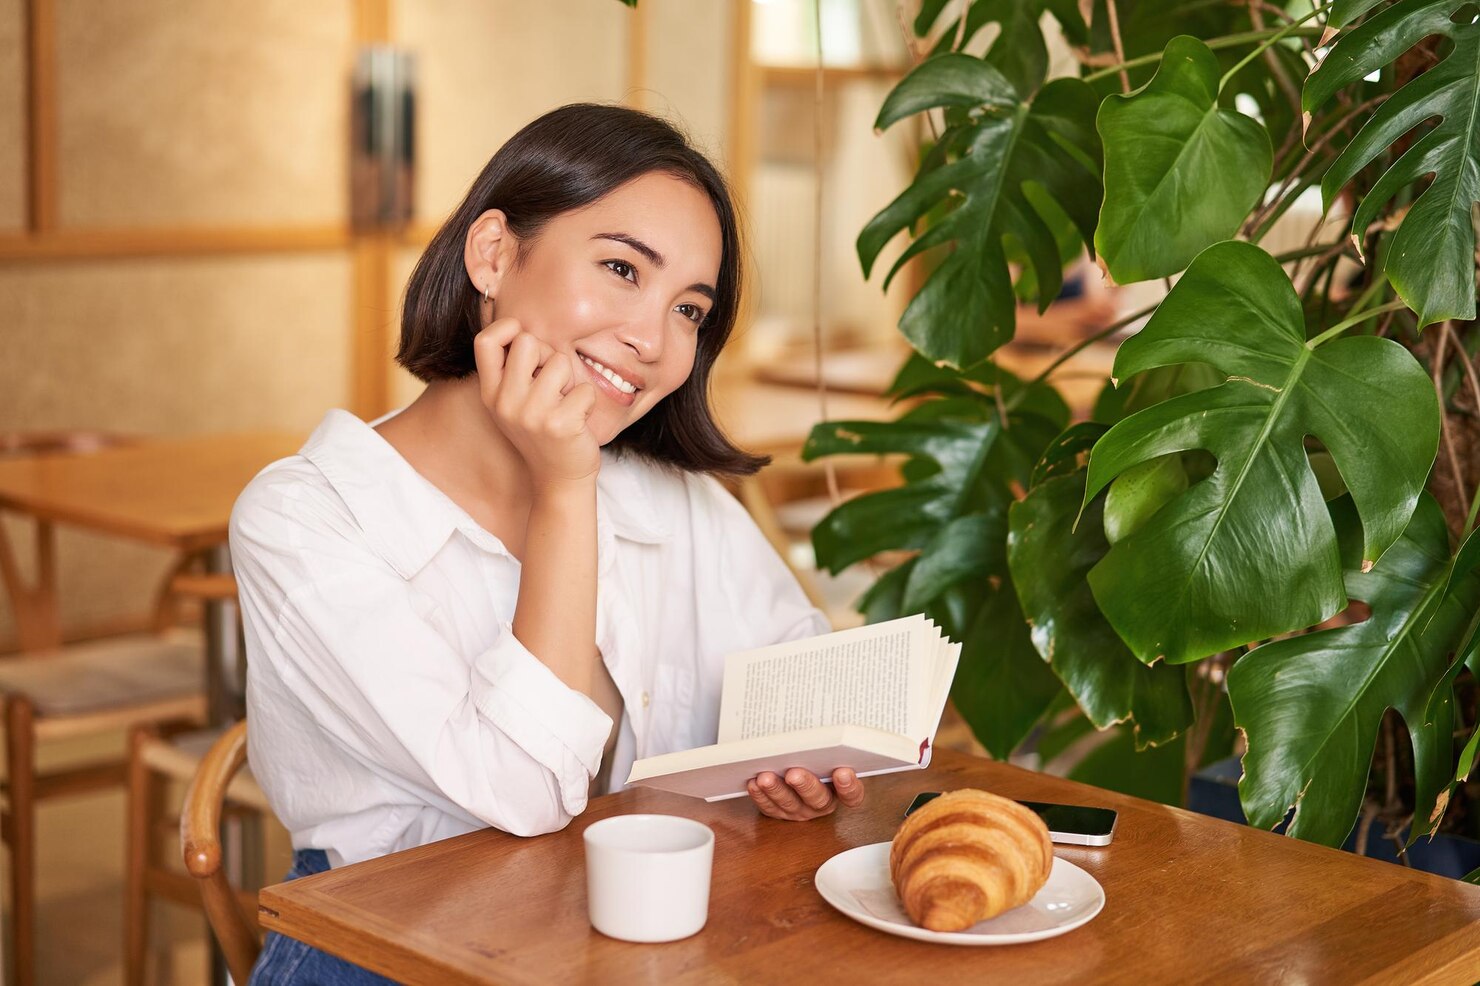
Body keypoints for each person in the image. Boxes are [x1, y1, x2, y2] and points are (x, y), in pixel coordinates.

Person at [230, 103, 867, 984]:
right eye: (620, 268)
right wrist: (565, 487)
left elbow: (802, 669)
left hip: (623, 941)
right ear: (493, 255)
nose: (652, 339)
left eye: (689, 308)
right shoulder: (306, 518)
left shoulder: (672, 500)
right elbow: (526, 797)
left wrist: (795, 764)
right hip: (385, 954)